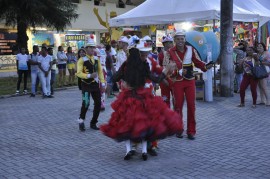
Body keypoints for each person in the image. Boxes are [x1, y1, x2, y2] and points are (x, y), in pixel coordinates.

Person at [100, 47, 183, 161]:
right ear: (139, 55)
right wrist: (166, 70)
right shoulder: (144, 65)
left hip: (128, 98)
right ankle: (144, 151)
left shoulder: (125, 66)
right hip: (142, 98)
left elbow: (114, 78)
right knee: (145, 125)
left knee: (127, 125)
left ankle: (128, 150)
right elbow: (157, 79)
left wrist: (123, 78)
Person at [167, 30, 213, 140]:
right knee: (178, 105)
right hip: (177, 81)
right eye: (178, 39)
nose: (180, 41)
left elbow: (197, 62)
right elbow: (167, 67)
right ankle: (178, 129)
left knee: (191, 106)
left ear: (185, 39)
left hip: (190, 81)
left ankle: (191, 131)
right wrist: (177, 72)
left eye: (182, 39)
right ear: (174, 40)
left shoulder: (191, 50)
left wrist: (205, 66)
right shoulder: (169, 52)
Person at [76, 38, 106, 131]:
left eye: (93, 48)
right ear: (86, 49)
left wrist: (103, 83)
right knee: (86, 103)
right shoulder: (82, 60)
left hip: (95, 85)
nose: (92, 50)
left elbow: (100, 72)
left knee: (98, 103)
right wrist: (89, 75)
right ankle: (81, 120)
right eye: (90, 48)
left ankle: (93, 122)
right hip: (85, 84)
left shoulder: (97, 59)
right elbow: (78, 73)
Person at [158, 34, 174, 107]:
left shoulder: (175, 53)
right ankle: (166, 116)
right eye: (169, 42)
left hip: (174, 79)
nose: (171, 44)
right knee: (165, 99)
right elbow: (158, 68)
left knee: (176, 99)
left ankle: (176, 116)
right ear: (164, 44)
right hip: (164, 79)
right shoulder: (160, 55)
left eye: (171, 42)